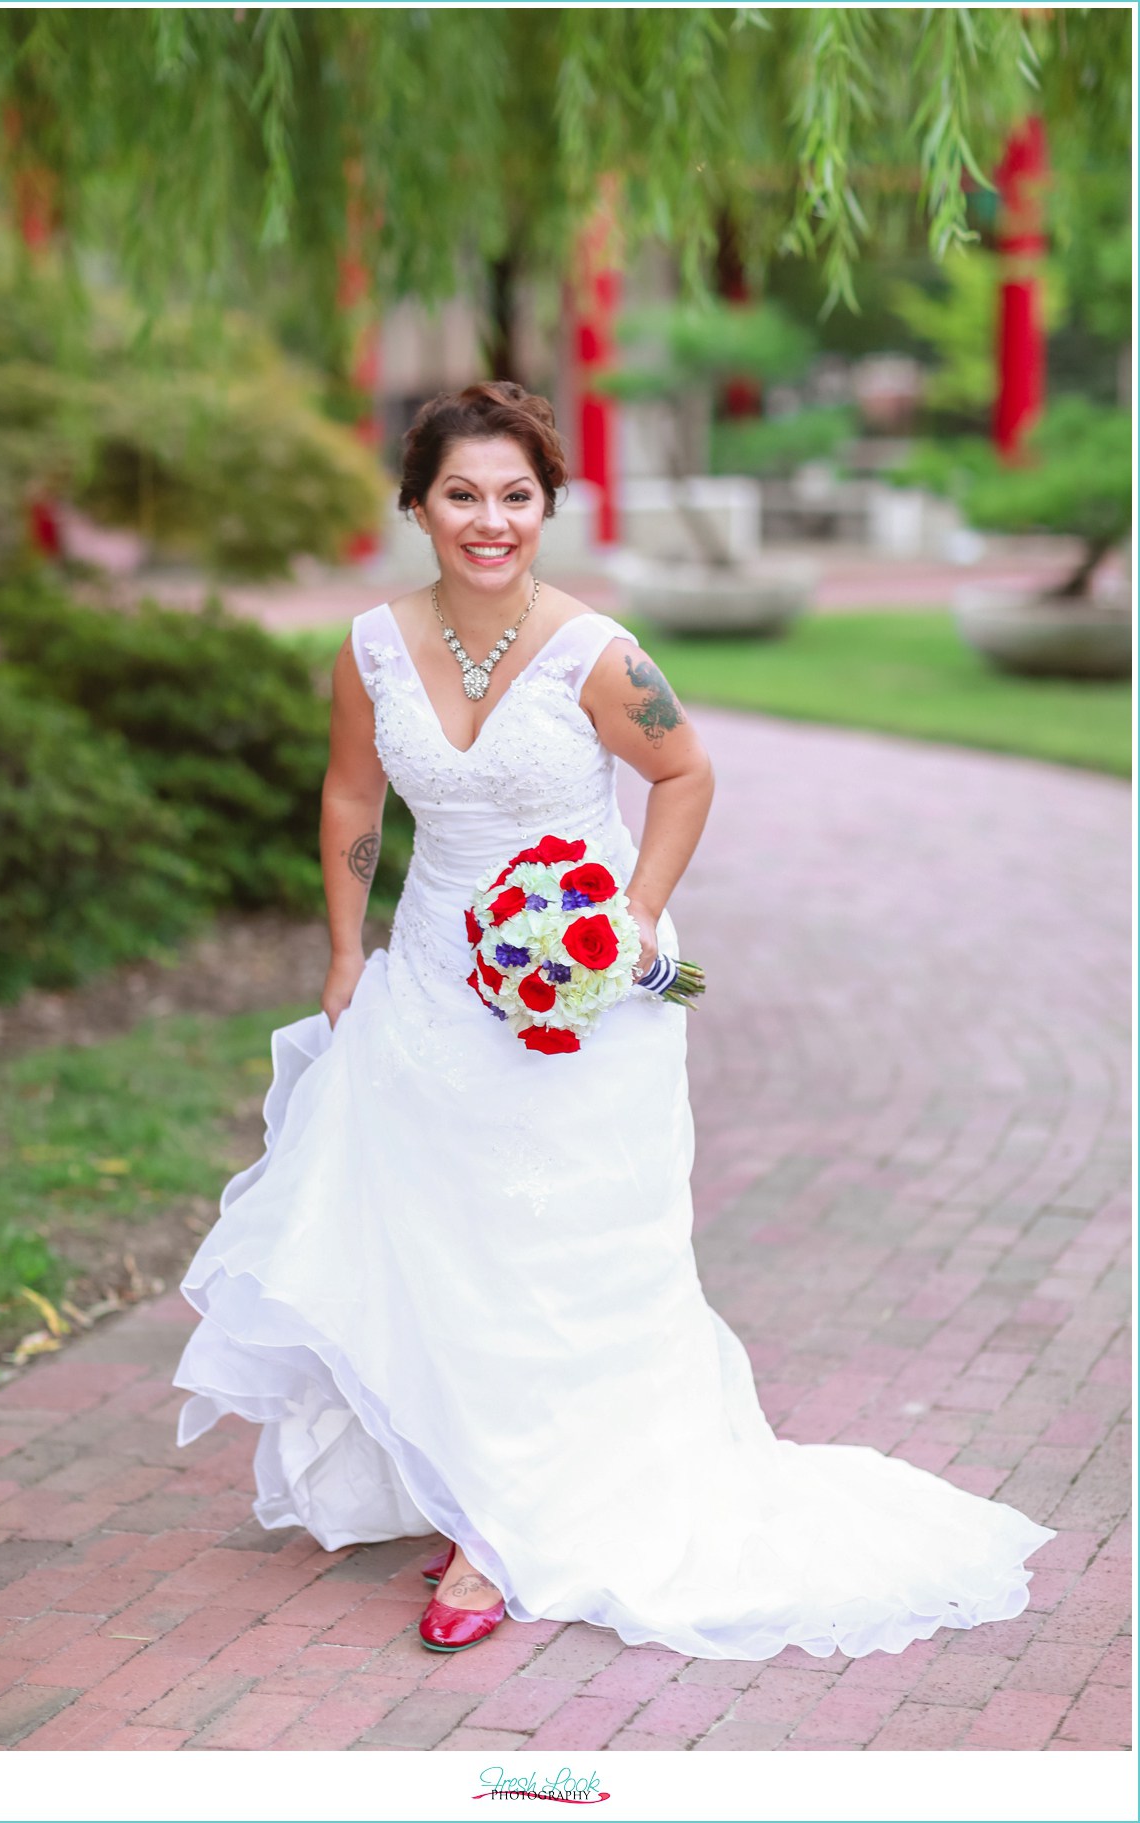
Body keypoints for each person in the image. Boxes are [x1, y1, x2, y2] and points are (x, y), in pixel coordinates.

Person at [173, 380, 1056, 1659]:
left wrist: (634, 917)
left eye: (517, 496)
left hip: (592, 987)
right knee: (440, 1231)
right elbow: (353, 799)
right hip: (426, 980)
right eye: (462, 495)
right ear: (416, 503)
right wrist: (342, 951)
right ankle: (468, 1470)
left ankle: (508, 1525)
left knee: (562, 1246)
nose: (491, 522)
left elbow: (686, 772)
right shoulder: (371, 647)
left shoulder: (599, 651)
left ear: (550, 504)